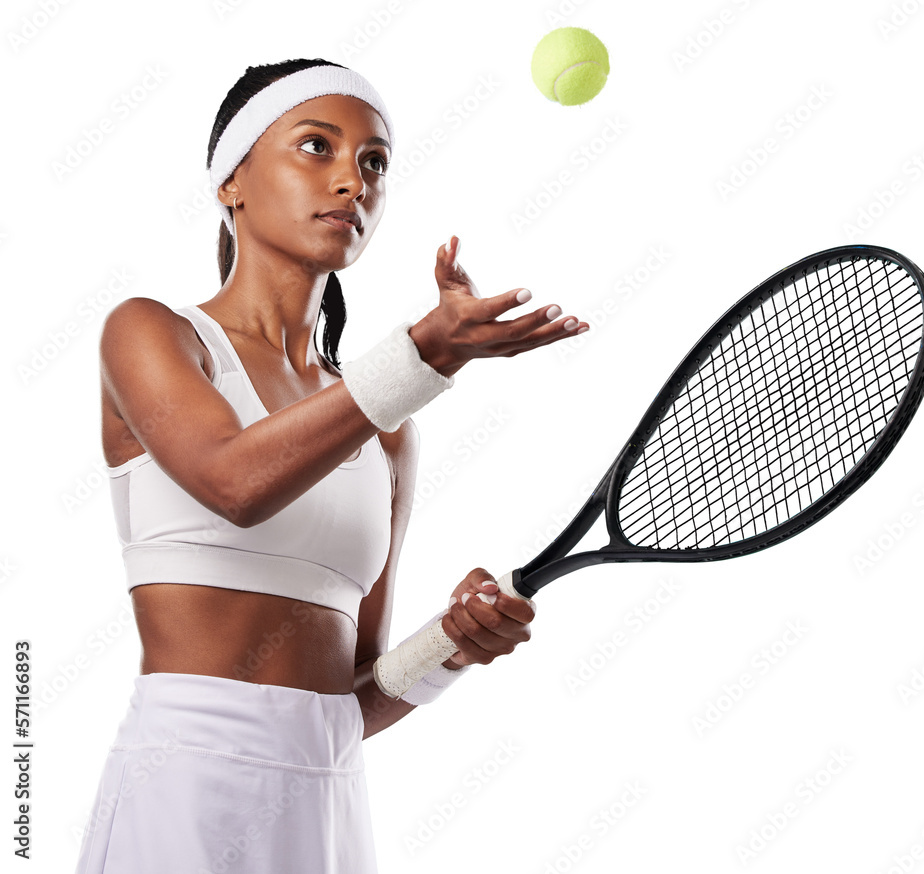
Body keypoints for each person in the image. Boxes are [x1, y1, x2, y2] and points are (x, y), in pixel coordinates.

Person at [73, 58, 588, 873]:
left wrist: (450, 648)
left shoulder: (385, 429)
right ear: (231, 182)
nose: (354, 179)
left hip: (329, 802)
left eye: (374, 161)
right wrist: (422, 356)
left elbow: (352, 697)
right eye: (317, 146)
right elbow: (233, 483)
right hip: (180, 788)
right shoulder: (151, 335)